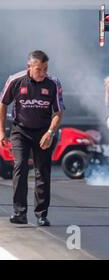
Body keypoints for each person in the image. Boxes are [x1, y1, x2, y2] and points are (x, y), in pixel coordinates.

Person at [0, 50, 65, 226]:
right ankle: (19, 212)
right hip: (20, 130)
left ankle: (41, 215)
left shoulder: (53, 83)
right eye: (39, 69)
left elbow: (59, 112)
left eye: (45, 69)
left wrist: (50, 132)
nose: (43, 73)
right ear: (29, 67)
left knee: (42, 171)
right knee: (20, 166)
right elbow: (3, 103)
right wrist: (1, 132)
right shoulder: (15, 80)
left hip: (44, 132)